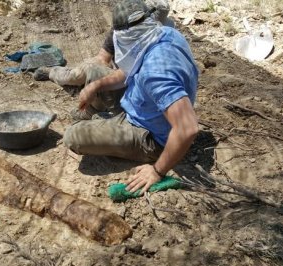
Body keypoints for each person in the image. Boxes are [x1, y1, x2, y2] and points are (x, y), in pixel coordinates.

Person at [63, 0, 199, 195]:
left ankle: (108, 126)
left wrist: (157, 170)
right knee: (95, 73)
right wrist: (96, 85)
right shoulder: (164, 34)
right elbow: (130, 69)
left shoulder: (156, 72)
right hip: (144, 104)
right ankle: (99, 118)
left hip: (151, 137)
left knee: (73, 136)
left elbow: (187, 128)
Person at [33, 0, 174, 120]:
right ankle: (53, 72)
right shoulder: (126, 26)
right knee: (76, 75)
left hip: (138, 84)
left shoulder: (168, 38)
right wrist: (96, 78)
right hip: (116, 71)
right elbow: (103, 58)